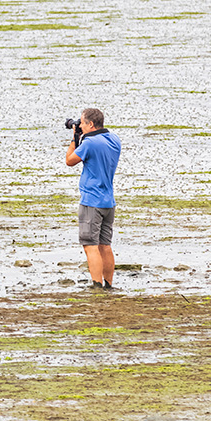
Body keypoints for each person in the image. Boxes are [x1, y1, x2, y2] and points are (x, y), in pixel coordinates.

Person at [65, 107, 121, 290]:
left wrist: (75, 138)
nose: (79, 125)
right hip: (108, 200)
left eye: (81, 122)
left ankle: (96, 286)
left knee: (90, 245)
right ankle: (108, 285)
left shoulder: (89, 144)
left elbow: (70, 160)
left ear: (90, 124)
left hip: (91, 201)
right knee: (105, 245)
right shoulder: (114, 140)